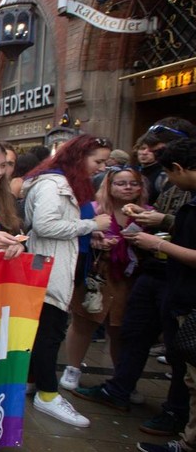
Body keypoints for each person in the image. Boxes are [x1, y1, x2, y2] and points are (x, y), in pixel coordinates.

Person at [74, 118, 196, 435]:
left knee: (180, 349)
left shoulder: (175, 182)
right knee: (133, 332)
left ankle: (178, 414)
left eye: (157, 150)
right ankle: (120, 388)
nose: (150, 155)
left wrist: (158, 233)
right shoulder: (167, 182)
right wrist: (153, 222)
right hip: (158, 273)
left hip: (178, 278)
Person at [21, 134, 113, 428]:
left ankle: (35, 382)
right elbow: (46, 225)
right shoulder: (54, 184)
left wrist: (89, 233)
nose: (101, 167)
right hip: (50, 267)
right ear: (79, 156)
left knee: (47, 331)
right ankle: (48, 394)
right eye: (98, 161)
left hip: (61, 264)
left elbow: (61, 224)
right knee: (50, 333)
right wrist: (91, 225)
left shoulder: (66, 182)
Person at [124, 138, 196, 452]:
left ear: (178, 168)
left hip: (189, 295)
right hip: (180, 290)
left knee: (192, 373)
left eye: (171, 175)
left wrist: (157, 244)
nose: (171, 183)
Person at [59, 165, 150, 393]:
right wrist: (93, 240)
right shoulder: (92, 209)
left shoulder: (148, 213)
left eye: (133, 183)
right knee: (83, 321)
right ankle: (73, 368)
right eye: (121, 183)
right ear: (108, 186)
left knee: (120, 329)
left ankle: (122, 379)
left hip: (128, 278)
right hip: (96, 274)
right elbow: (75, 235)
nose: (128, 188)